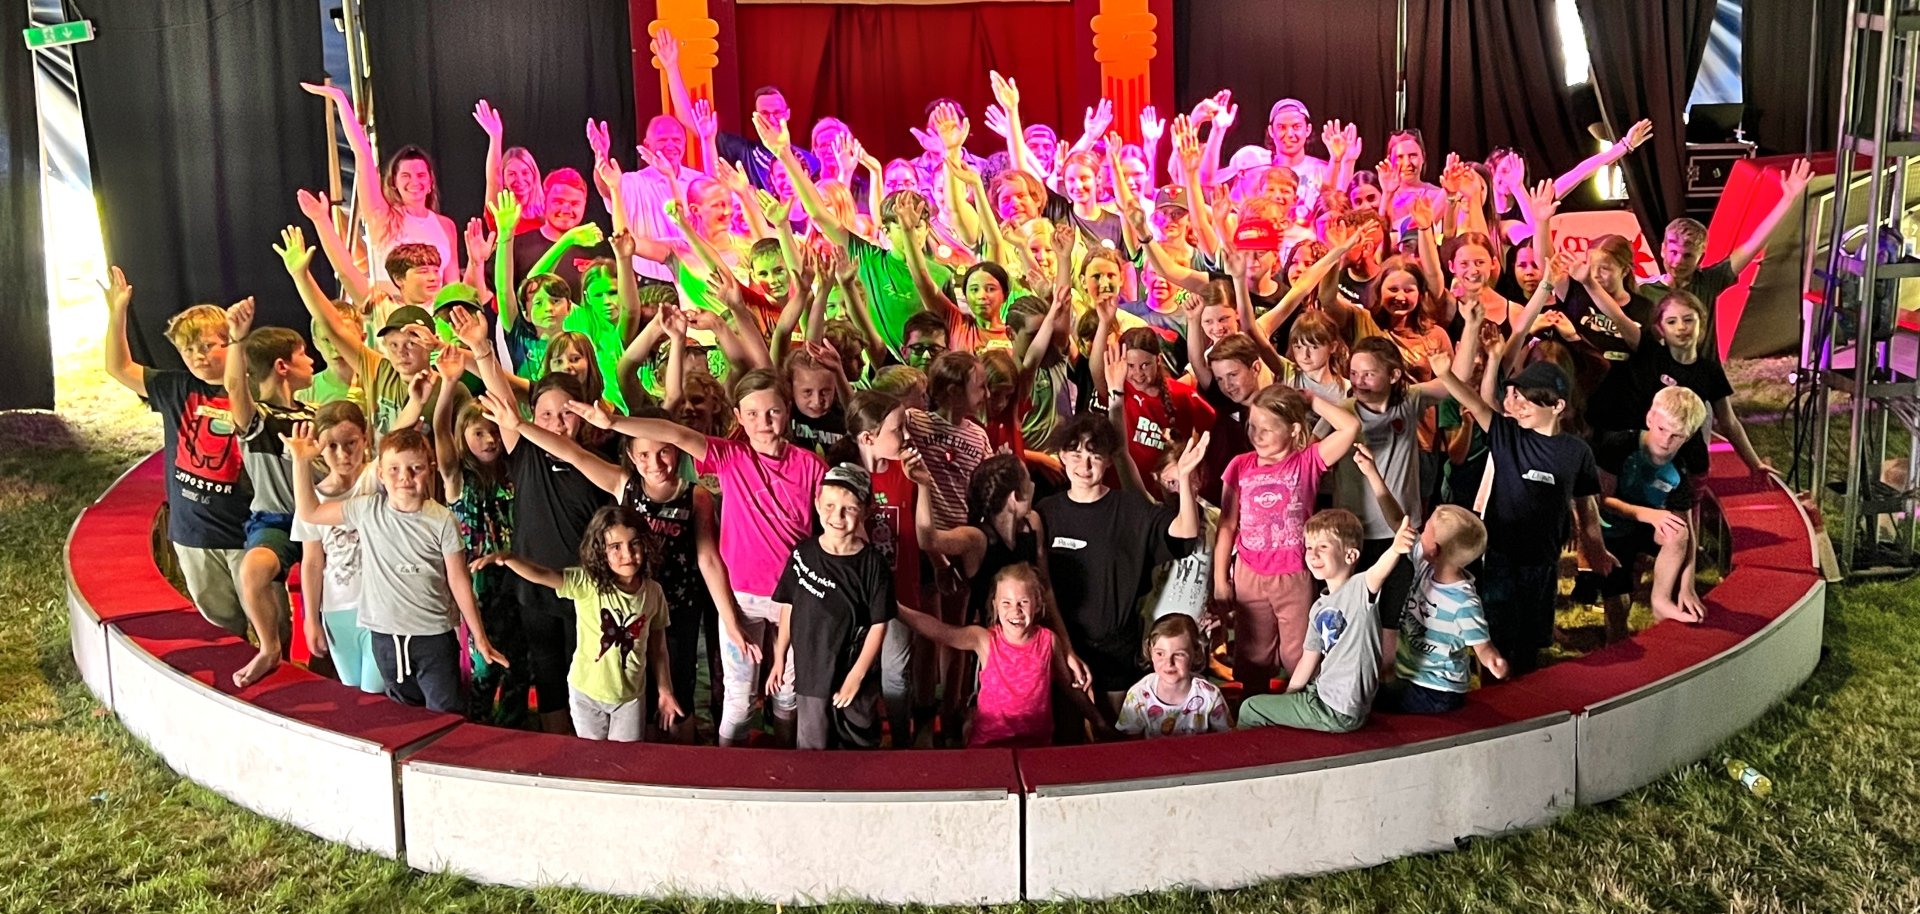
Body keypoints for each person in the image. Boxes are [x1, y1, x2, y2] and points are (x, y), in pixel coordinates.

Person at [589, 369, 826, 745]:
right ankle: (727, 771)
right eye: (752, 414)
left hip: (794, 599)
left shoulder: (811, 466)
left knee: (787, 696)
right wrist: (615, 421)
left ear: (788, 410)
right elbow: (677, 434)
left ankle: (787, 768)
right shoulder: (731, 457)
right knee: (738, 700)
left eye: (773, 412)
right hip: (742, 598)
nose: (763, 423)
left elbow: (827, 529)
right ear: (737, 415)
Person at [286, 425, 510, 713]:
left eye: (415, 468)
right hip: (386, 637)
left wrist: (478, 636)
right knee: (402, 713)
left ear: (429, 470)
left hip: (433, 636)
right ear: (380, 473)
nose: (405, 477)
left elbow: (458, 579)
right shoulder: (367, 509)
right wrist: (301, 462)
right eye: (394, 469)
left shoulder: (442, 521)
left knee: (446, 711)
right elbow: (310, 513)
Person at [1428, 354, 1614, 675]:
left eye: (1529, 400)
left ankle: (1526, 692)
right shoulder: (1507, 435)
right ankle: (1494, 692)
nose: (1518, 406)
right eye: (1516, 396)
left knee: (1531, 640)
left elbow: (1586, 507)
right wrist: (1446, 374)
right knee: (1497, 633)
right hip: (1501, 557)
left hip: (1543, 561)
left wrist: (1595, 548)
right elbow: (1477, 403)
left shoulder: (1576, 452)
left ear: (1557, 406)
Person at [101, 267, 259, 639]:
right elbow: (118, 367)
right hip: (194, 531)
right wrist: (117, 313)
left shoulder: (252, 390)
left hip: (247, 529)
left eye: (208, 346)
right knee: (221, 625)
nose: (198, 356)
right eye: (188, 349)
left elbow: (243, 402)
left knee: (270, 620)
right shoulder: (174, 387)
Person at [1040, 413, 1209, 722]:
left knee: (1116, 732)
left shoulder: (1130, 510)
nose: (1084, 465)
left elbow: (1184, 536)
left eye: (1094, 456)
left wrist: (1184, 479)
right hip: (1062, 644)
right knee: (1064, 738)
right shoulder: (1046, 513)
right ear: (1062, 455)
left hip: (1116, 646)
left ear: (1108, 460)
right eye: (1075, 455)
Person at [475, 505, 681, 742]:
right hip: (586, 695)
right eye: (615, 547)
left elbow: (659, 648)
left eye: (634, 543)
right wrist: (510, 558)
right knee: (591, 760)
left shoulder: (654, 593)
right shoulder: (587, 583)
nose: (627, 554)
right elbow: (544, 575)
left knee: (624, 764)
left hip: (629, 698)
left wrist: (665, 690)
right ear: (600, 550)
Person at [1214, 385, 1362, 693]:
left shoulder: (1306, 461)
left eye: (1267, 429)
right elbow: (1227, 525)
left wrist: (1312, 401)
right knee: (1254, 654)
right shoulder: (1240, 466)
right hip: (1249, 573)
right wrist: (1219, 579)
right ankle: (1253, 712)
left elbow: (1351, 427)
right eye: (1252, 426)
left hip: (1293, 574)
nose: (1257, 435)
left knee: (1298, 653)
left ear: (1293, 430)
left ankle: (1305, 703)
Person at [1353, 449, 1509, 713]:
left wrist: (1493, 660)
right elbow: (1396, 520)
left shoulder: (1463, 601)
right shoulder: (1425, 562)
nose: (1418, 531)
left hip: (1437, 691)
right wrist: (1372, 473)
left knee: (1364, 703)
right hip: (1409, 677)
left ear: (1434, 549)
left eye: (1425, 529)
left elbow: (1482, 645)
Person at [1237, 511, 1411, 732]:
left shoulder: (1359, 590)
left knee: (1250, 708)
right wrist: (1288, 697)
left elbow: (1378, 572)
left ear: (1350, 556)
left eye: (1323, 547)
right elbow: (1308, 661)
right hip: (1321, 695)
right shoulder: (1319, 607)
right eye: (1309, 547)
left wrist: (1395, 549)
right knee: (1274, 707)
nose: (1312, 554)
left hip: (1336, 709)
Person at [221, 298, 317, 688]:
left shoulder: (314, 412)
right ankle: (269, 648)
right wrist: (235, 340)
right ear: (283, 367)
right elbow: (233, 386)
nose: (312, 362)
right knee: (254, 569)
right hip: (277, 520)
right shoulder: (258, 419)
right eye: (303, 356)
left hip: (318, 520)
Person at [766, 464, 894, 749]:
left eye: (849, 508)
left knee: (860, 743)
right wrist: (779, 657)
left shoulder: (874, 564)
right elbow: (789, 606)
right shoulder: (802, 554)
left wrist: (856, 676)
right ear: (817, 503)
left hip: (855, 673)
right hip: (811, 671)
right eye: (830, 505)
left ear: (866, 511)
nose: (837, 516)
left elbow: (879, 624)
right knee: (813, 745)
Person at [430, 352, 526, 726]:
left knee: (520, 662)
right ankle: (479, 726)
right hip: (474, 582)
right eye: (478, 433)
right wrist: (449, 385)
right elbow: (439, 430)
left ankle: (516, 728)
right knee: (484, 666)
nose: (489, 440)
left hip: (514, 577)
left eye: (493, 432)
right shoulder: (457, 476)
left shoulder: (512, 472)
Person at [1586, 290, 1771, 478]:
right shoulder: (1649, 352)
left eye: (1688, 320)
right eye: (1671, 321)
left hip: (1686, 460)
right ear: (1660, 328)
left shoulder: (1710, 371)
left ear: (1702, 323)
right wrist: (1588, 282)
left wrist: (1755, 463)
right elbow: (1616, 315)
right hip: (1641, 452)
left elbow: (1729, 422)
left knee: (1685, 500)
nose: (1681, 327)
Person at [1641, 159, 1813, 355]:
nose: (1678, 261)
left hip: (1703, 378)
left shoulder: (1710, 281)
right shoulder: (1644, 291)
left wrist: (1787, 199)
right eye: (1673, 252)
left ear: (1700, 257)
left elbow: (1753, 244)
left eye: (1687, 255)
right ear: (1663, 249)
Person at [302, 82, 460, 286]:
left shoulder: (446, 226)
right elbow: (362, 154)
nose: (415, 181)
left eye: (421, 175)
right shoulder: (384, 218)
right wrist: (341, 100)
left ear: (430, 182)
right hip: (394, 313)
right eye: (406, 175)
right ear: (394, 182)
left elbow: (453, 284)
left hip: (436, 316)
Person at [893, 563, 1068, 748]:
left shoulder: (1049, 641)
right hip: (988, 745)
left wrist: (1097, 720)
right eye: (1006, 603)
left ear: (1037, 603)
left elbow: (1069, 685)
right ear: (995, 606)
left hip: (1036, 746)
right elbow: (940, 631)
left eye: (1023, 602)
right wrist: (895, 608)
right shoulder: (985, 640)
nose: (1015, 611)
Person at [1595, 387, 1714, 640]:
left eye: (1676, 435)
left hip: (1648, 529)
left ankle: (1660, 600)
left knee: (1678, 532)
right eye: (1661, 430)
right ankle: (1614, 642)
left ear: (1689, 436)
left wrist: (1686, 585)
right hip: (1612, 530)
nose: (1666, 441)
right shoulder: (1619, 445)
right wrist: (1650, 515)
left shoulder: (1680, 470)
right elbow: (1603, 500)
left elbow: (1687, 527)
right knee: (1616, 598)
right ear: (1650, 419)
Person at [291, 401, 383, 695]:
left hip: (380, 607)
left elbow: (402, 430)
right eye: (331, 446)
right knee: (352, 690)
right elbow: (313, 562)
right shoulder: (313, 499)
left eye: (351, 443)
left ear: (365, 439)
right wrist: (311, 620)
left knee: (375, 690)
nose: (343, 454)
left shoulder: (378, 477)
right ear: (319, 446)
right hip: (338, 609)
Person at [1115, 614, 1231, 737]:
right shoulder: (1138, 695)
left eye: (1179, 654)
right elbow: (1127, 742)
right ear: (1150, 652)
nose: (1169, 663)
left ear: (1196, 654)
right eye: (1160, 653)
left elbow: (1226, 738)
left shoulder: (1210, 695)